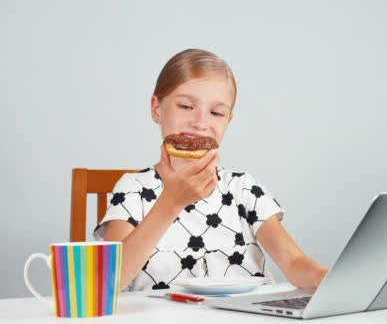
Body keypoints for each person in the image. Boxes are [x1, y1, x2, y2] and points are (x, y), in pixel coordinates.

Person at [93, 49, 328, 291]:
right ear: (157, 109)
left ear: (228, 121)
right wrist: (171, 201)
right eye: (185, 106)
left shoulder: (244, 189)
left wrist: (324, 276)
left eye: (216, 112)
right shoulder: (133, 189)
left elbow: (293, 261)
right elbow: (107, 283)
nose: (200, 122)